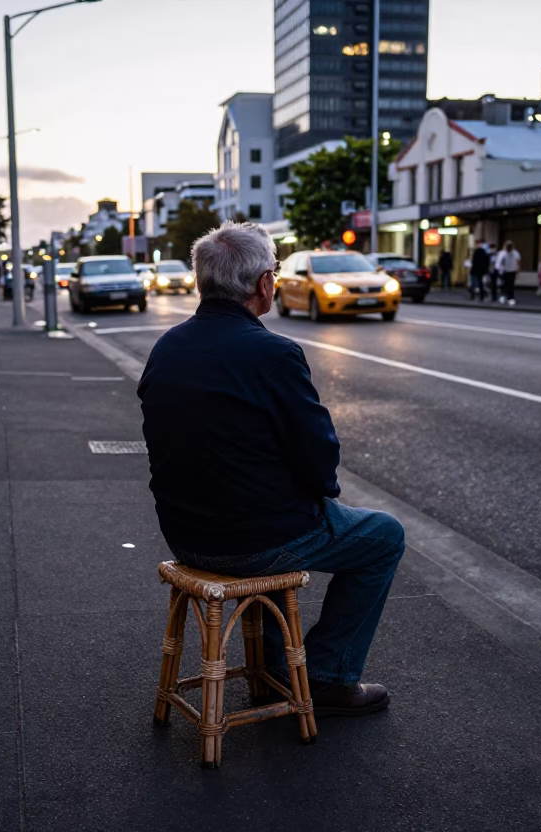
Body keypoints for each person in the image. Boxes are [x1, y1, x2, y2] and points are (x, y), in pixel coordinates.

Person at [138, 222, 406, 717]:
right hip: (256, 539)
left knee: (279, 514)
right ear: (264, 284)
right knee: (384, 536)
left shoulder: (167, 347)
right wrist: (321, 497)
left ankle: (279, 667)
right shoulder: (274, 353)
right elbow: (318, 458)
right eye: (275, 273)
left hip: (185, 535)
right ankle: (326, 674)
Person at [494, 240, 521, 306]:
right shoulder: (503, 253)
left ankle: (509, 298)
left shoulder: (515, 253)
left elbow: (517, 262)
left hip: (511, 270)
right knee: (505, 284)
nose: (509, 248)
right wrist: (498, 270)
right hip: (505, 270)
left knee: (510, 285)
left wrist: (517, 269)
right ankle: (505, 297)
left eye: (510, 247)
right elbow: (498, 263)